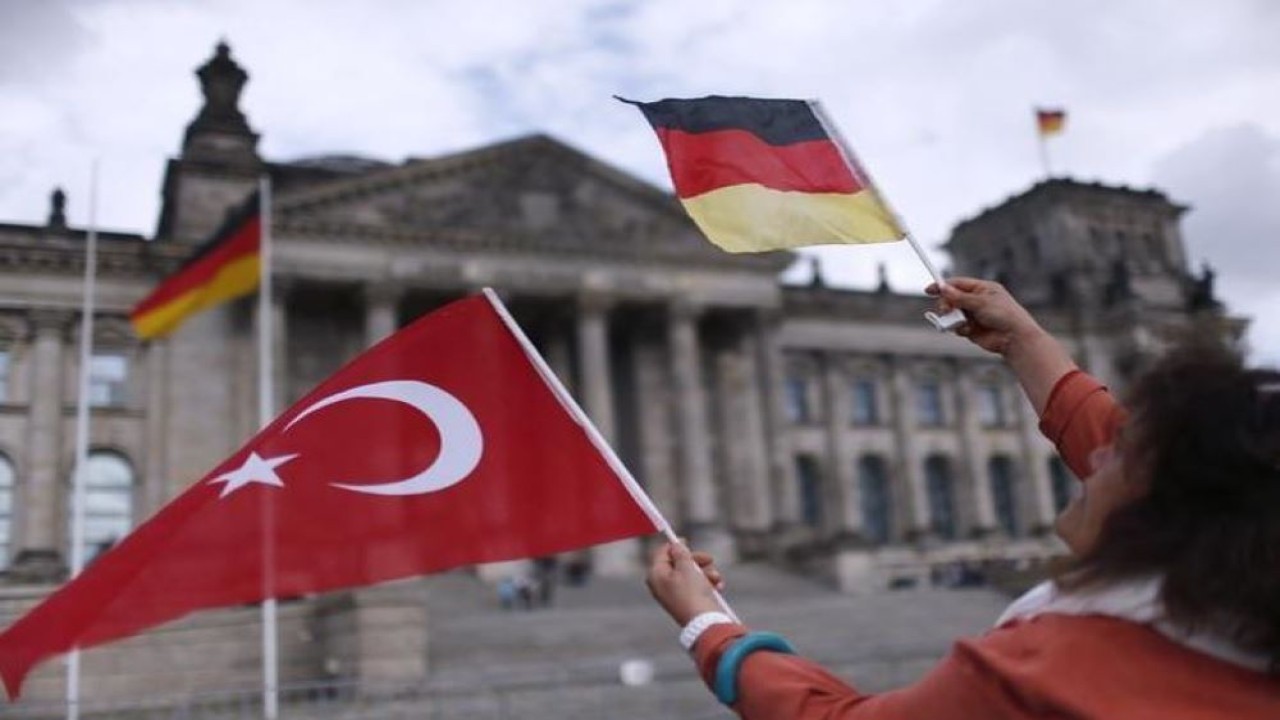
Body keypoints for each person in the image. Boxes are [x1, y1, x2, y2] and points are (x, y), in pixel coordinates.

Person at [646, 276, 1280, 718]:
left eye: (1121, 452)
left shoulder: (1054, 676)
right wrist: (1025, 342)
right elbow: (1112, 435)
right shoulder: (1238, 593)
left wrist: (709, 625)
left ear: (1164, 500)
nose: (1096, 455)